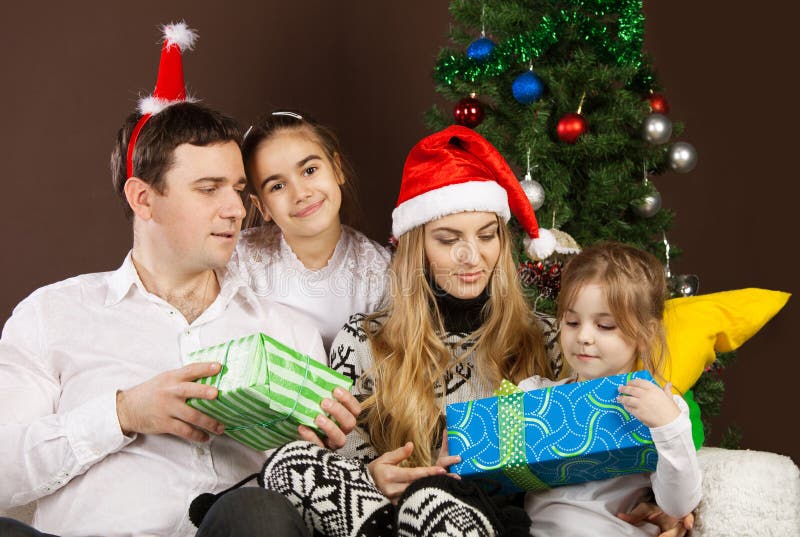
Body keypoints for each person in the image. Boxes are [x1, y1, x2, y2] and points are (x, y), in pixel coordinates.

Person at [0, 23, 357, 537]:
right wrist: (122, 414)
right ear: (143, 199)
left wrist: (322, 462)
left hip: (237, 528)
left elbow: (309, 489)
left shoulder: (288, 332)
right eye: (209, 189)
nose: (236, 209)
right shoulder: (53, 314)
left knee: (258, 513)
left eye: (238, 189)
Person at [258, 126, 696, 537]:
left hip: (491, 523)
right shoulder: (364, 342)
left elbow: (627, 426)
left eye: (487, 236)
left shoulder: (554, 337)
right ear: (417, 247)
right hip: (387, 518)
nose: (471, 256)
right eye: (448, 240)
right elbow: (339, 458)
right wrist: (371, 478)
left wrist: (667, 499)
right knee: (292, 462)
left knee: (436, 499)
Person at [518, 241, 702, 536]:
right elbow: (493, 481)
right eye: (572, 321)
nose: (584, 336)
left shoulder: (660, 409)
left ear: (645, 335)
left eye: (605, 326)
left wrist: (669, 426)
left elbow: (679, 504)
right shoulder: (534, 396)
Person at [233, 111, 391, 350]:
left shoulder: (379, 273)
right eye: (278, 186)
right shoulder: (240, 260)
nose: (301, 194)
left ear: (337, 169)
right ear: (262, 206)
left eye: (309, 170)